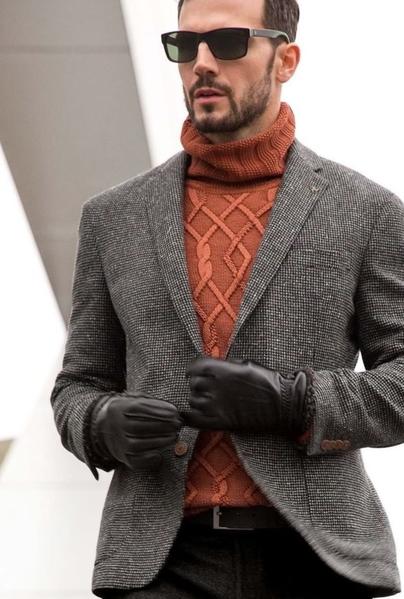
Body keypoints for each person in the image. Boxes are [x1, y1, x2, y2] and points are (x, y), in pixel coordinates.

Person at [50, 0, 404, 597]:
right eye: (186, 45)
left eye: (229, 42)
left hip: (318, 560)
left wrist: (295, 402)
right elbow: (78, 384)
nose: (203, 63)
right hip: (160, 564)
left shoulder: (366, 212)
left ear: (286, 59)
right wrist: (100, 424)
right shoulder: (113, 218)